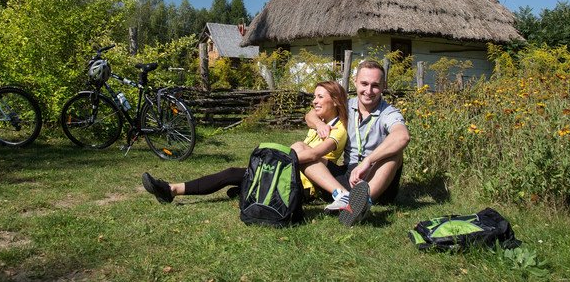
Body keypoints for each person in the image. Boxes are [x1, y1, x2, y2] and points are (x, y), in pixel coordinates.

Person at [142, 81, 349, 205]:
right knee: (233, 173)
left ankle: (175, 190)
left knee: (238, 175)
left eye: (320, 97)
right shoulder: (320, 121)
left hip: (300, 186)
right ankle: (172, 189)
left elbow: (314, 155)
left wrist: (275, 158)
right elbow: (309, 114)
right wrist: (317, 122)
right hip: (284, 173)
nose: (314, 101)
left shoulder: (339, 130)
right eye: (314, 96)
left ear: (335, 101)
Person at [301, 60, 410, 227]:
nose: (369, 91)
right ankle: (343, 196)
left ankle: (362, 203)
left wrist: (367, 161)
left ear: (383, 86)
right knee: (303, 150)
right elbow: (311, 114)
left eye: (375, 85)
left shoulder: (388, 112)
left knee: (395, 153)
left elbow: (402, 136)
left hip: (376, 176)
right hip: (348, 174)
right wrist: (320, 124)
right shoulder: (346, 106)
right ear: (355, 82)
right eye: (364, 84)